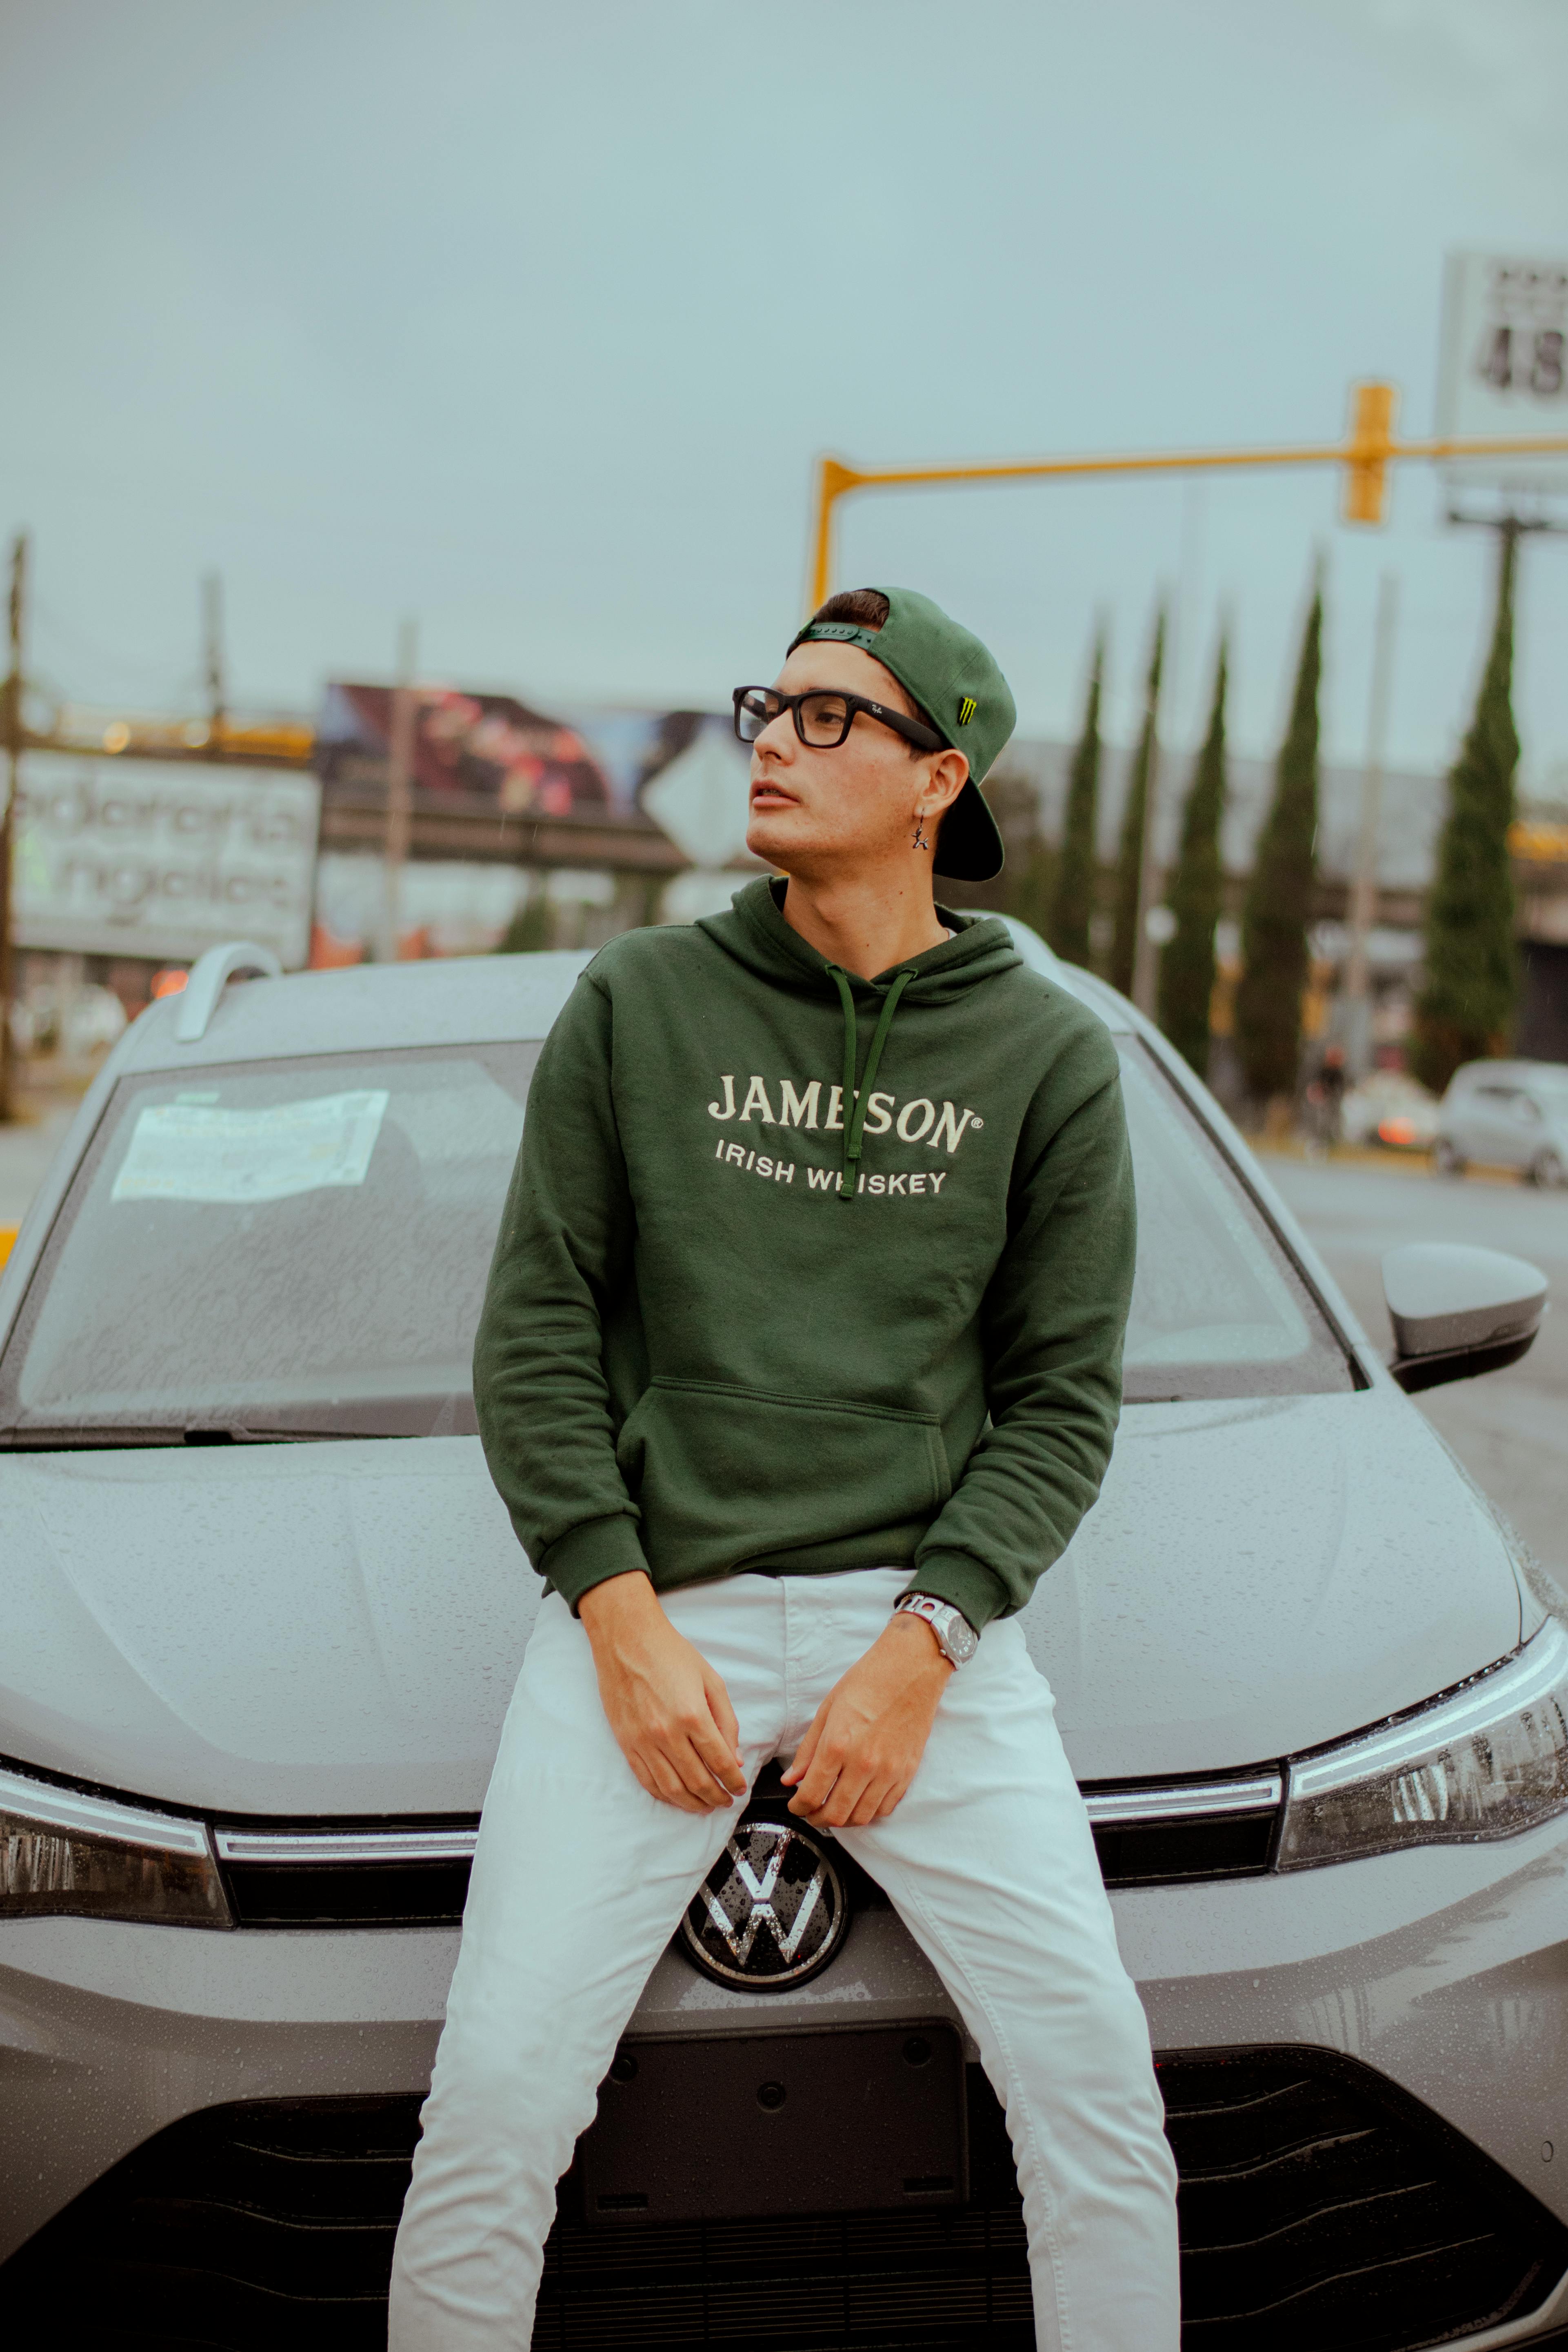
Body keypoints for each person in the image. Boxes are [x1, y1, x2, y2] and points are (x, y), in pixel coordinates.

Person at [388, 586, 1181, 2349]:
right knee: (498, 2111)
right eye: (770, 702)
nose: (771, 735)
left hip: (925, 1637)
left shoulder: (1045, 1049)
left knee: (1098, 2113)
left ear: (935, 781)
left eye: (832, 717)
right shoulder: (643, 998)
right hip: (646, 1616)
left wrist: (924, 1651)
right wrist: (616, 1613)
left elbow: (1060, 1398)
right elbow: (534, 1334)